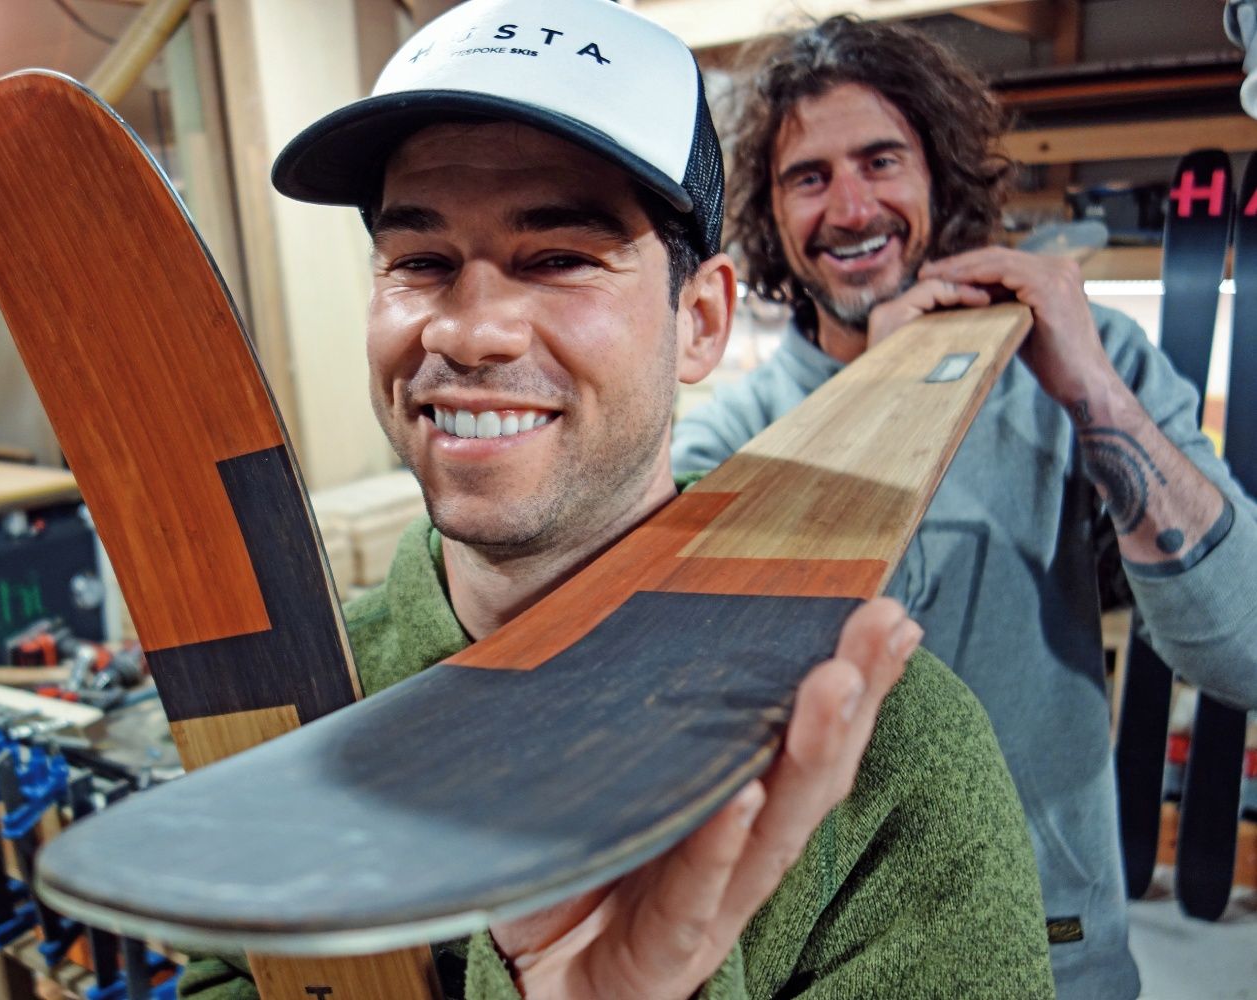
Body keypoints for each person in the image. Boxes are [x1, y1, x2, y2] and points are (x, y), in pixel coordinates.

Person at [181, 1, 1052, 997]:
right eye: (421, 261)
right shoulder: (299, 711)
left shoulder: (893, 756)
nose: (471, 333)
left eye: (558, 259)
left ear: (702, 320)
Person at [671, 15, 1257, 1000]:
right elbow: (726, 722)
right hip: (825, 965)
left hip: (1055, 942)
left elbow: (1243, 649)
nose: (852, 206)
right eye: (808, 177)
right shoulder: (728, 442)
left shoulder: (1078, 355)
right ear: (769, 216)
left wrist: (1093, 393)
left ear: (938, 174)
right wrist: (897, 402)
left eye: (881, 160)